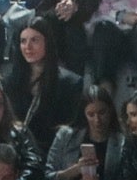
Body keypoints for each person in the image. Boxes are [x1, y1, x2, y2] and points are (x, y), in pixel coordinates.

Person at [5, 9, 87, 146]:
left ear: (47, 43)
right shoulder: (9, 81)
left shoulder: (70, 83)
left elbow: (68, 130)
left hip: (51, 151)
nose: (28, 47)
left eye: (34, 40)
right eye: (23, 41)